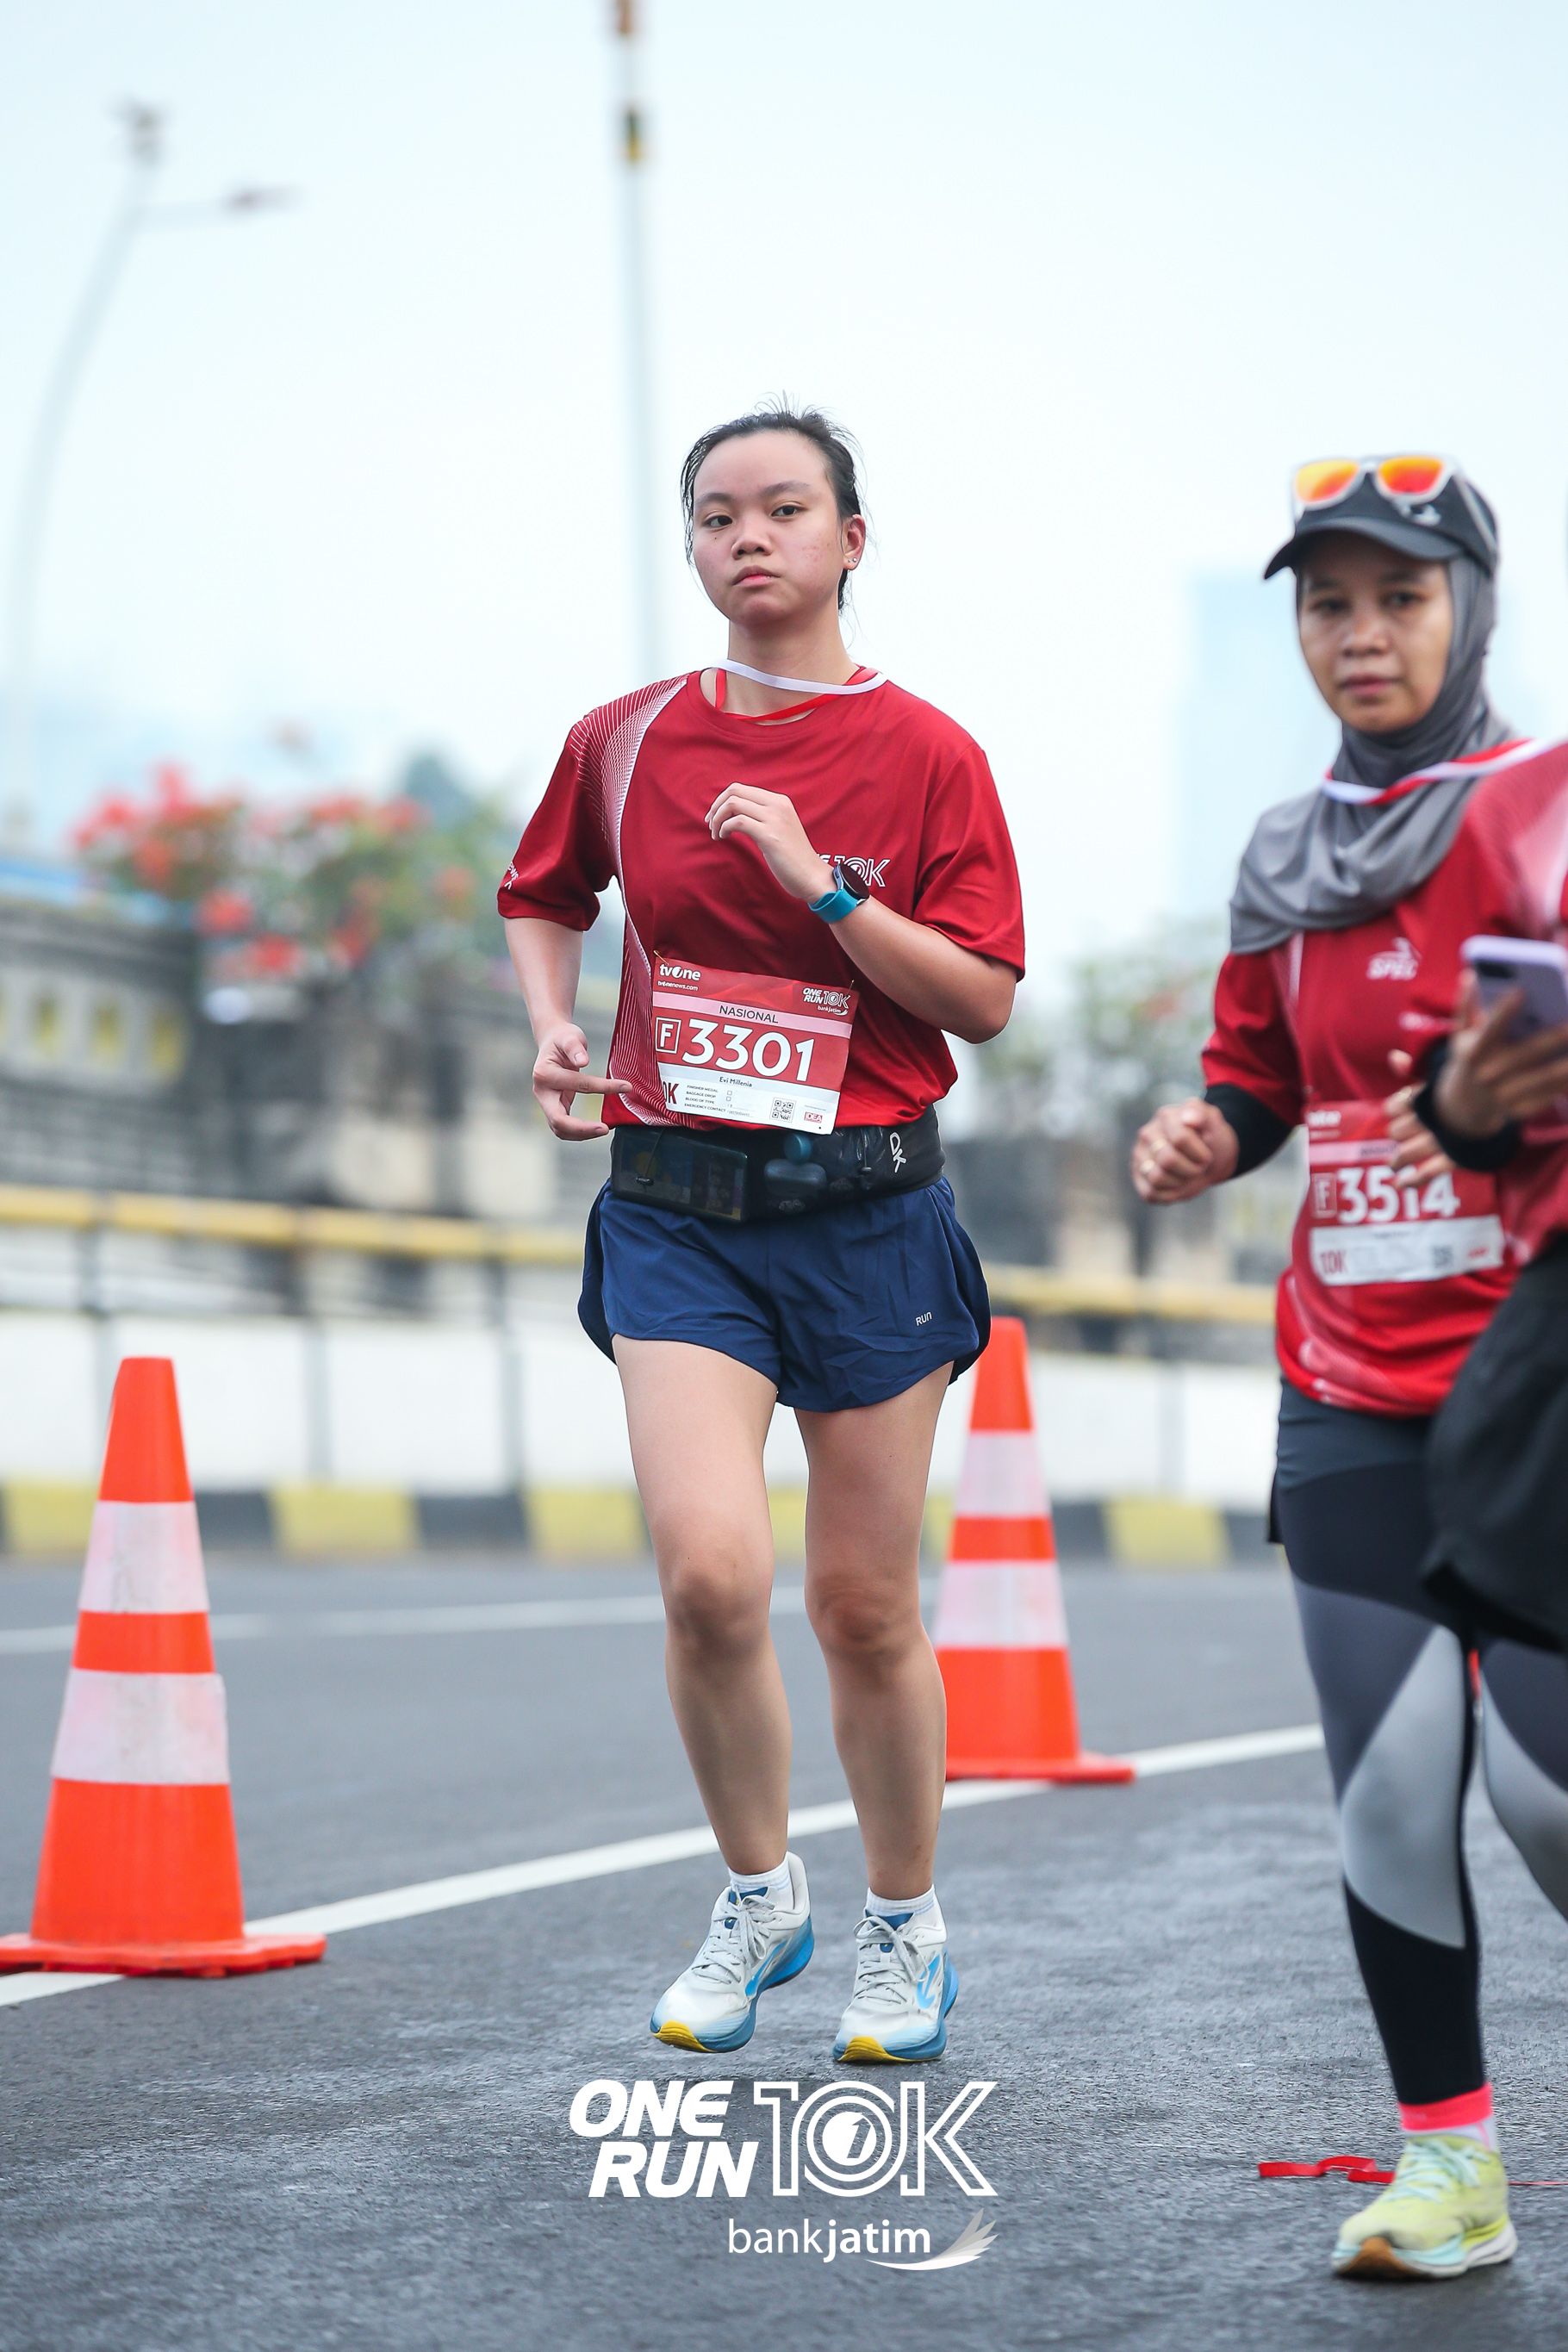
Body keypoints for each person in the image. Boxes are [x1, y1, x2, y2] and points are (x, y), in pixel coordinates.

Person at [497, 401, 1023, 2063]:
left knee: (863, 1605)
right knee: (710, 1575)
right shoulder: (626, 736)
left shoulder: (929, 753)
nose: (750, 536)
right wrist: (555, 1023)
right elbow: (543, 892)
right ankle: (756, 1892)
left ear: (851, 540)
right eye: (718, 513)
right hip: (679, 1211)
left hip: (870, 1214)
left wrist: (824, 885)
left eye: (786, 508)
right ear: (693, 547)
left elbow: (984, 998)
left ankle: (905, 1925)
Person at [1131, 456, 1568, 2281]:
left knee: (1548, 1798)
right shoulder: (1282, 849)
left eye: (1400, 596)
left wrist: (1484, 1108)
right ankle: (1450, 2169)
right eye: (1328, 603)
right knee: (1390, 1788)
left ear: (1472, 605)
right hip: (1348, 1377)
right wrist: (1205, 1135)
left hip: (1535, 1378)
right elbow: (1258, 1073)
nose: (1361, 633)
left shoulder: (1549, 807)